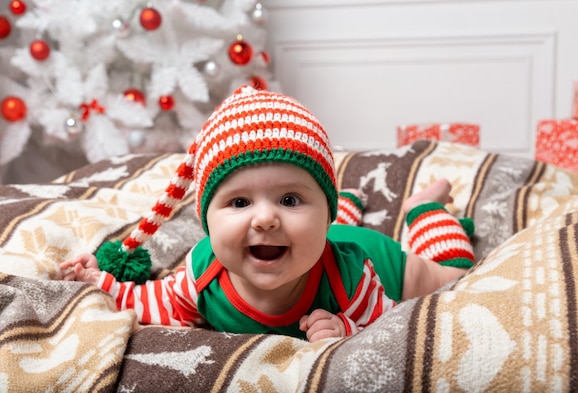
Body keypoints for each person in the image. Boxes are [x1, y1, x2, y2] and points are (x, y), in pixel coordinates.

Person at [59, 86, 475, 342]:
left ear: (322, 210)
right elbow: (159, 301)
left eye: (290, 199)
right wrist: (102, 281)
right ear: (207, 220)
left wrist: (347, 329)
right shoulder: (204, 272)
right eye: (239, 203)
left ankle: (423, 207)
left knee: (453, 276)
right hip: (316, 240)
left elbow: (392, 324)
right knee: (302, 236)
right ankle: (344, 205)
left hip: (379, 261)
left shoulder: (352, 280)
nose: (264, 219)